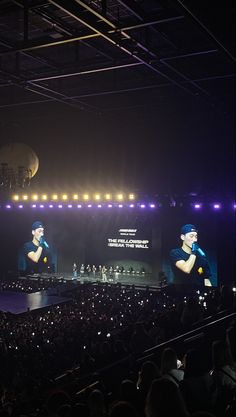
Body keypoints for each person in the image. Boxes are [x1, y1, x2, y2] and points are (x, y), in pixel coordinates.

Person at [169, 224, 212, 288]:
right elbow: (186, 269)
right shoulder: (175, 253)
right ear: (182, 237)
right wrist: (194, 251)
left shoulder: (201, 257)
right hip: (180, 293)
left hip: (198, 294)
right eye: (191, 236)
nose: (195, 240)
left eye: (196, 236)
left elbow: (206, 280)